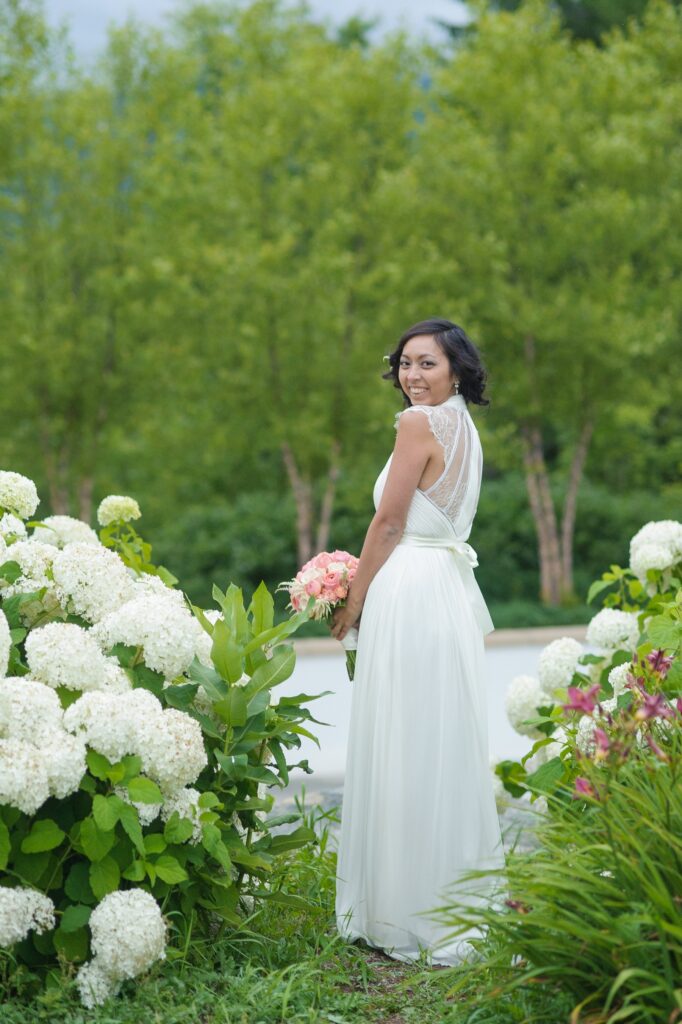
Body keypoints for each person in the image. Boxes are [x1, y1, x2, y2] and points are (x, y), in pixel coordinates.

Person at [330, 317, 505, 966]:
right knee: (440, 742)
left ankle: (400, 913)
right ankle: (450, 907)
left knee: (404, 740)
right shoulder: (465, 428)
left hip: (409, 588)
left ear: (455, 368)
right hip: (446, 594)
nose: (412, 375)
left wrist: (353, 599)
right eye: (405, 363)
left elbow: (389, 521)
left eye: (427, 363)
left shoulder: (417, 425)